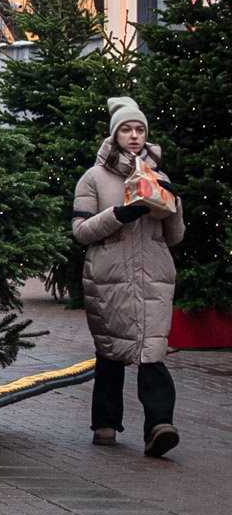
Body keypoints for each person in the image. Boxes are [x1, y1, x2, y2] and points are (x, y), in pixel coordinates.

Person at [74, 95, 186, 457]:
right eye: (127, 129)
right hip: (110, 277)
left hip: (154, 276)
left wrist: (173, 204)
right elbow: (80, 231)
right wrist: (119, 215)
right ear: (114, 135)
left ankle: (159, 426)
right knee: (111, 351)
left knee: (152, 351)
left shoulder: (159, 177)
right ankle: (105, 424)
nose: (134, 136)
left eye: (140, 129)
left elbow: (174, 237)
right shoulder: (94, 178)